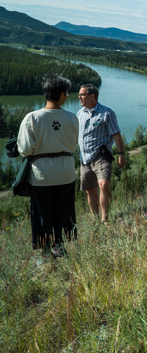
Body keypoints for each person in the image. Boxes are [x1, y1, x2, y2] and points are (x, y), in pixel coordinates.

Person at [17, 74, 79, 260]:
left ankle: (45, 254)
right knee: (64, 210)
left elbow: (25, 149)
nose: (67, 96)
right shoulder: (71, 118)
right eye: (66, 93)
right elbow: (73, 145)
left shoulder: (33, 118)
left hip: (41, 174)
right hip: (66, 172)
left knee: (42, 213)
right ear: (61, 95)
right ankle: (59, 247)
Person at [77, 84, 126, 224]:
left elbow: (116, 135)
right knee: (90, 190)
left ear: (92, 96)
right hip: (84, 157)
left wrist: (121, 154)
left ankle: (105, 219)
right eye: (79, 95)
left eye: (82, 94)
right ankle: (96, 219)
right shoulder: (80, 113)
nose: (79, 97)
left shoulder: (106, 113)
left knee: (103, 184)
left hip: (101, 155)